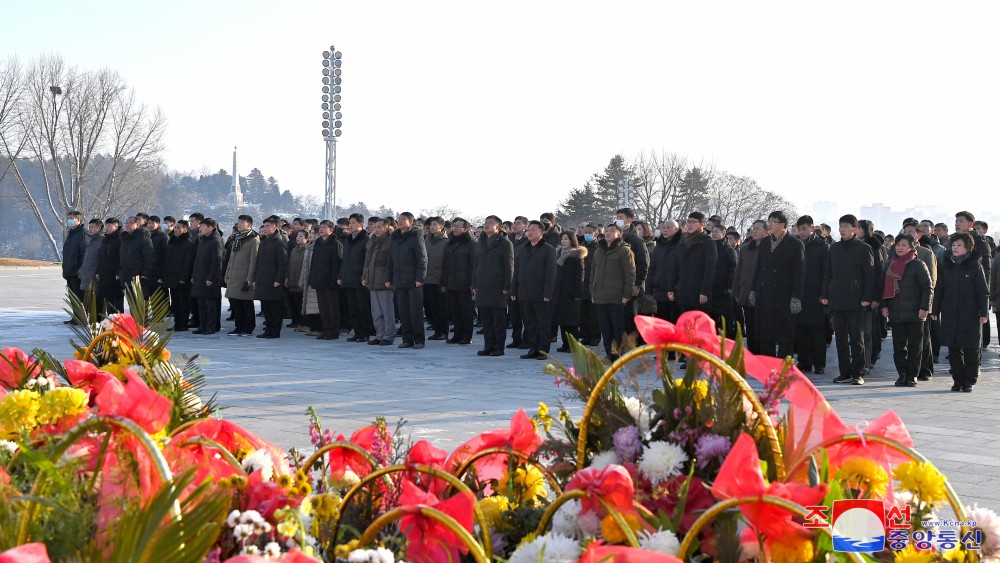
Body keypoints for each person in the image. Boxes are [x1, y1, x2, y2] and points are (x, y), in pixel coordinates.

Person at [933, 232, 989, 392]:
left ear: (968, 248)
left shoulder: (975, 266)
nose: (955, 248)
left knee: (971, 349)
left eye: (959, 245)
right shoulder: (946, 265)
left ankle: (969, 380)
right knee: (953, 349)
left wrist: (983, 312)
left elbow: (982, 291)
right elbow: (940, 289)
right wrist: (935, 309)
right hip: (950, 312)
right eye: (953, 245)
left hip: (971, 314)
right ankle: (958, 380)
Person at [823, 214, 874, 385]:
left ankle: (858, 373)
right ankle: (844, 372)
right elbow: (828, 274)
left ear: (855, 229)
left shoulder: (863, 248)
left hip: (855, 300)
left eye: (846, 226)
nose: (842, 230)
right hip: (836, 298)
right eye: (841, 226)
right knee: (841, 339)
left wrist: (867, 297)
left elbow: (869, 276)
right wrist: (824, 294)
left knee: (856, 338)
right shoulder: (834, 248)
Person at [877, 234, 932, 387]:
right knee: (899, 346)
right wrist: (884, 306)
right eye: (898, 244)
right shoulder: (889, 265)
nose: (900, 248)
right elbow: (882, 288)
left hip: (916, 313)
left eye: (903, 245)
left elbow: (928, 288)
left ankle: (913, 375)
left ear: (911, 247)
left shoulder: (918, 264)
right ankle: (902, 374)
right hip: (896, 312)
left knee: (915, 346)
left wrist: (924, 308)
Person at [752, 210, 805, 360]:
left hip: (784, 295)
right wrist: (753, 290)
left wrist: (796, 297)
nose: (769, 224)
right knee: (765, 333)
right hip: (765, 293)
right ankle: (768, 365)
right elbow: (759, 268)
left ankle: (783, 367)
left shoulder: (795, 244)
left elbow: (799, 273)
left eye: (773, 222)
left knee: (784, 334)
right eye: (769, 221)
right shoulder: (765, 242)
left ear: (783, 225)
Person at [511, 220, 557, 359]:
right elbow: (516, 271)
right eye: (528, 230)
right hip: (525, 292)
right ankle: (533, 348)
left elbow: (551, 273)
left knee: (542, 323)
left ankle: (543, 350)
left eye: (533, 230)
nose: (530, 232)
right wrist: (514, 290)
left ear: (541, 232)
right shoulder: (523, 249)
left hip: (541, 293)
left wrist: (548, 292)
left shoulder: (548, 249)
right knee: (529, 323)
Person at [591, 222, 636, 362]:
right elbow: (593, 273)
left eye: (612, 230)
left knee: (618, 327)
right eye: (606, 230)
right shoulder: (599, 250)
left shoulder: (624, 251)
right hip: (600, 296)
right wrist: (593, 292)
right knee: (605, 328)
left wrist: (626, 294)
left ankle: (620, 354)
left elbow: (630, 274)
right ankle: (609, 354)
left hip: (617, 296)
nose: (608, 233)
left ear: (620, 234)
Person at [387, 212, 428, 349]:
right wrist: (389, 277)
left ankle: (419, 340)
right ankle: (407, 339)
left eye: (404, 219)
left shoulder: (415, 236)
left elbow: (422, 258)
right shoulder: (395, 237)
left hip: (413, 280)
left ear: (411, 222)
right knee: (403, 311)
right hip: (399, 279)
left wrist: (420, 278)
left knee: (415, 311)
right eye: (399, 219)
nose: (400, 221)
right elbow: (390, 259)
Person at [794, 216, 830, 374]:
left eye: (804, 229)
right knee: (801, 330)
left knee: (817, 331)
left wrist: (824, 294)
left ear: (812, 228)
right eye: (799, 229)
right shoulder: (795, 245)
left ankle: (819, 363)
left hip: (816, 294)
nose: (802, 232)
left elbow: (827, 273)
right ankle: (804, 362)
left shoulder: (822, 246)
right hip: (799, 293)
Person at [475, 215, 514, 356]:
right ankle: (488, 345)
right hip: (483, 285)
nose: (486, 225)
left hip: (498, 286)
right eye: (485, 222)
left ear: (498, 226)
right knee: (486, 319)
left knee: (498, 319)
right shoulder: (481, 241)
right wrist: (474, 283)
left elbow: (509, 266)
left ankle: (498, 347)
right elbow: (477, 263)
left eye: (490, 223)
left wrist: (507, 286)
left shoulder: (504, 242)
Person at [668, 212, 717, 315]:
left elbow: (710, 269)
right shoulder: (683, 241)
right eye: (688, 222)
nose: (689, 224)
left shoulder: (707, 242)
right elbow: (675, 266)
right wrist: (671, 287)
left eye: (693, 222)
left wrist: (705, 291)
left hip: (698, 292)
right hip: (683, 290)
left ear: (701, 224)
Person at [732, 220, 766, 353]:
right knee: (750, 326)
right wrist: (736, 291)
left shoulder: (769, 249)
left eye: (758, 228)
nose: (754, 230)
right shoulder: (745, 248)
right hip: (746, 293)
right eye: (753, 228)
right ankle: (753, 354)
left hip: (762, 295)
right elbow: (738, 271)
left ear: (766, 232)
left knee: (762, 328)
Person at [442, 217, 477, 345]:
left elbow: (474, 265)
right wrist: (444, 282)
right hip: (451, 282)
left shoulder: (471, 244)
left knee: (466, 312)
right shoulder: (450, 243)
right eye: (454, 226)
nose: (454, 228)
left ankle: (466, 336)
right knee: (455, 311)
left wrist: (472, 284)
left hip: (465, 284)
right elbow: (445, 265)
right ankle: (457, 334)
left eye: (458, 226)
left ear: (466, 229)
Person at [338, 213, 373, 342]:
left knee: (362, 307)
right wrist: (341, 275)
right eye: (350, 223)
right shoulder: (348, 240)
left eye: (353, 223)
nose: (350, 225)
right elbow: (344, 260)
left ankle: (365, 332)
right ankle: (357, 332)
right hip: (348, 278)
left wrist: (365, 276)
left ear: (360, 224)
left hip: (360, 279)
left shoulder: (366, 240)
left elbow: (368, 261)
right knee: (352, 308)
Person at [252, 218, 289, 338]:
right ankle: (268, 330)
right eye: (264, 226)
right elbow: (258, 262)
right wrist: (254, 277)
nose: (265, 228)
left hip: (273, 281)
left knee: (275, 308)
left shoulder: (279, 243)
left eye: (268, 226)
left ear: (275, 227)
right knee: (266, 307)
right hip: (263, 280)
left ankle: (275, 331)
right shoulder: (263, 243)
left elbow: (283, 264)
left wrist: (278, 279)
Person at [224, 215, 260, 337]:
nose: (239, 224)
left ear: (249, 225)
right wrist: (227, 273)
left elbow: (253, 260)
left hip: (244, 277)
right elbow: (231, 259)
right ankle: (238, 327)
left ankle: (248, 328)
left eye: (242, 222)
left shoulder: (253, 239)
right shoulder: (236, 238)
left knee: (246, 303)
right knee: (235, 303)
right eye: (238, 222)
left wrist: (250, 278)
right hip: (234, 276)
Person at [362, 217, 395, 345]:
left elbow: (391, 262)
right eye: (375, 227)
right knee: (376, 311)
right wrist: (364, 276)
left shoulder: (391, 241)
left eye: (379, 227)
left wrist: (389, 278)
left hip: (384, 281)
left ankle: (388, 335)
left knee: (387, 311)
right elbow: (367, 262)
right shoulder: (372, 241)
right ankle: (379, 334)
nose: (376, 229)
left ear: (386, 227)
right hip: (372, 280)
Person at [310, 220, 344, 341]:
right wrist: (312, 278)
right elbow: (313, 263)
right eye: (320, 227)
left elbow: (338, 263)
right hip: (319, 281)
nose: (321, 229)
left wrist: (336, 278)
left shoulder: (336, 244)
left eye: (324, 227)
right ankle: (325, 329)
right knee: (323, 308)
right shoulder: (318, 243)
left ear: (331, 229)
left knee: (332, 308)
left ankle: (333, 331)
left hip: (331, 281)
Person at [554, 231, 587, 353]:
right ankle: (565, 343)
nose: (563, 241)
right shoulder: (560, 254)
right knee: (562, 320)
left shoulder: (577, 256)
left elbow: (580, 276)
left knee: (572, 321)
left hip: (572, 293)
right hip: (560, 292)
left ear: (572, 240)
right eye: (562, 239)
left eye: (566, 239)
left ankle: (573, 345)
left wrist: (578, 293)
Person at [191, 218, 224, 335]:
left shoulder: (216, 241)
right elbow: (197, 260)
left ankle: (211, 326)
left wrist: (211, 278)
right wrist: (194, 275)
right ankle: (202, 325)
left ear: (211, 228)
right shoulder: (202, 240)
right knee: (201, 303)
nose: (200, 228)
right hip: (199, 276)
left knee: (210, 304)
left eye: (203, 226)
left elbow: (217, 262)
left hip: (209, 279)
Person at [163, 220, 196, 331]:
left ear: (185, 230)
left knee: (183, 302)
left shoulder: (189, 244)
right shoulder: (171, 242)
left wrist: (184, 277)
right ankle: (177, 323)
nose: (176, 230)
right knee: (175, 302)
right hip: (171, 277)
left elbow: (188, 263)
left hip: (182, 278)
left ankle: (183, 324)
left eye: (179, 228)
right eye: (175, 228)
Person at [648, 220, 682, 324]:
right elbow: (653, 267)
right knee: (662, 322)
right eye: (663, 228)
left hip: (676, 291)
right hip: (660, 289)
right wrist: (649, 287)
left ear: (676, 229)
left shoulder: (682, 245)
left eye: (668, 228)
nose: (665, 230)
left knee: (675, 321)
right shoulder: (659, 246)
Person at [422, 217, 450, 340]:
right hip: (426, 278)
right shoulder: (426, 239)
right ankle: (436, 330)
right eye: (431, 225)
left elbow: (448, 264)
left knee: (441, 308)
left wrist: (445, 282)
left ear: (441, 226)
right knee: (430, 307)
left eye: (435, 224)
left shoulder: (446, 242)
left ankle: (443, 331)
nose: (432, 227)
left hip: (439, 280)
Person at [709, 223, 737, 337]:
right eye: (713, 231)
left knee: (726, 323)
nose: (714, 234)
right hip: (711, 291)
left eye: (716, 231)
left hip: (724, 292)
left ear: (723, 233)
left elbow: (733, 270)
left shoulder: (729, 250)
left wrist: (729, 288)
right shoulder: (710, 248)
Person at [506, 216, 529, 349]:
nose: (515, 225)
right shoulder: (508, 240)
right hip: (511, 281)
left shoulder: (528, 242)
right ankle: (516, 338)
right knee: (514, 314)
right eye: (514, 223)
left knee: (526, 314)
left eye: (518, 223)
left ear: (525, 226)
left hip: (524, 281)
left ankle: (527, 339)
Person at [119, 216, 155, 300]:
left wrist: (145, 274)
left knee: (140, 304)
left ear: (138, 225)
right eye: (126, 223)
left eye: (131, 223)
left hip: (139, 277)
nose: (127, 225)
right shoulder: (124, 238)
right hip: (126, 276)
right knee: (131, 303)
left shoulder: (143, 237)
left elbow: (149, 256)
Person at [578, 224, 602, 346]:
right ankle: (585, 335)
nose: (587, 234)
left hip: (594, 284)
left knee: (594, 315)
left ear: (596, 234)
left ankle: (595, 336)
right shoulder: (582, 246)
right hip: (582, 284)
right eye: (586, 231)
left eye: (590, 232)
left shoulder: (599, 248)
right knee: (583, 314)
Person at [62, 211, 89, 316]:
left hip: (77, 271)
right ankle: (76, 317)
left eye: (72, 218)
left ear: (78, 220)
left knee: (79, 296)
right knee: (73, 296)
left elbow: (85, 252)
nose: (69, 220)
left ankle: (83, 317)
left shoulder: (83, 233)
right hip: (69, 270)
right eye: (68, 218)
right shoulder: (70, 234)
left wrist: (81, 267)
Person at [96, 218, 124, 315]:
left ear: (116, 226)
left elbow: (122, 257)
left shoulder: (121, 238)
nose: (107, 228)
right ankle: (110, 322)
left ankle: (119, 323)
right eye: (106, 225)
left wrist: (118, 272)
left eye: (109, 226)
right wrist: (98, 271)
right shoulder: (105, 239)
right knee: (108, 299)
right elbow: (101, 257)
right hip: (104, 274)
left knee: (117, 300)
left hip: (115, 275)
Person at [286, 230, 309, 330]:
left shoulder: (307, 250)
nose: (298, 238)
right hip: (292, 280)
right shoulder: (294, 250)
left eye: (301, 236)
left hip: (301, 281)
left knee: (301, 304)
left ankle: (304, 323)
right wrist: (287, 277)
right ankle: (296, 321)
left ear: (306, 238)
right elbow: (289, 265)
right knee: (294, 303)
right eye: (297, 236)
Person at [78, 218, 105, 303]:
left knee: (96, 305)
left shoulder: (102, 241)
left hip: (95, 279)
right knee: (86, 305)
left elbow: (102, 259)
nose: (90, 229)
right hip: (86, 277)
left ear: (99, 228)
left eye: (92, 227)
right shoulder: (90, 240)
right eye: (89, 227)